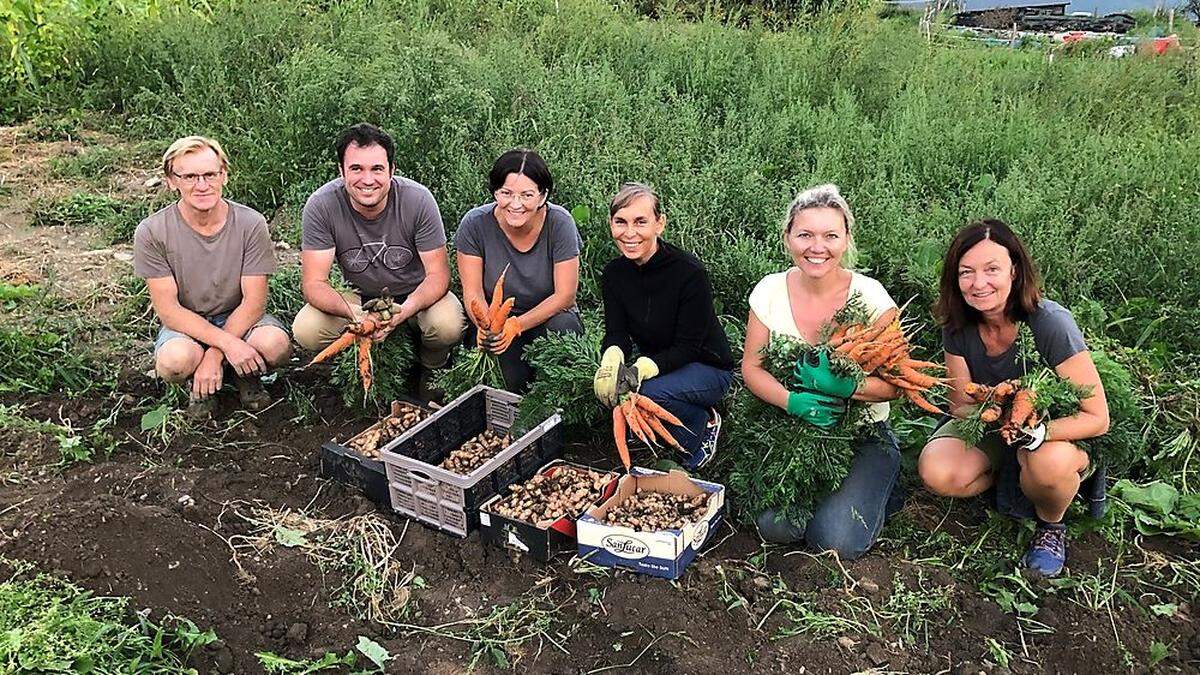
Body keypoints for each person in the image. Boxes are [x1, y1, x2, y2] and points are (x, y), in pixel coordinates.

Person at [918, 219, 1109, 578]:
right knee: (938, 471)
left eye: (992, 269)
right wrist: (996, 405)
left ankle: (1051, 524)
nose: (978, 283)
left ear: (1015, 270)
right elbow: (960, 404)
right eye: (966, 272)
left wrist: (1035, 432)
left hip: (1053, 426)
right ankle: (1012, 477)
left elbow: (1097, 417)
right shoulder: (958, 324)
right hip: (992, 421)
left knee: (1047, 464)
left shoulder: (1050, 323)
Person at [741, 184, 902, 560]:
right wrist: (792, 401)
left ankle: (884, 482)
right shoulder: (768, 292)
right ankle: (850, 496)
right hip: (794, 428)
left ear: (846, 239)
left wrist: (850, 387)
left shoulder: (873, 298)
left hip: (862, 432)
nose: (818, 247)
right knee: (775, 528)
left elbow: (896, 387)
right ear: (788, 238)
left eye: (830, 235)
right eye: (805, 235)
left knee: (834, 542)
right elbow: (752, 367)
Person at [291, 123, 465, 400]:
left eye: (377, 169)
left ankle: (432, 367)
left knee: (446, 324)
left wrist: (403, 312)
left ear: (392, 170)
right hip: (359, 299)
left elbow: (438, 276)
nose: (367, 179)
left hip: (414, 295)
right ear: (341, 171)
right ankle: (356, 369)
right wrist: (355, 315)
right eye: (356, 169)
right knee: (307, 329)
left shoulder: (417, 200)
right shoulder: (322, 205)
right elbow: (314, 283)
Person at [134, 136, 291, 419]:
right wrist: (227, 346)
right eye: (190, 176)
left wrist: (216, 353)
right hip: (188, 323)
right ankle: (199, 385)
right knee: (174, 362)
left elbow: (254, 302)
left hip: (239, 316)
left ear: (224, 176)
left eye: (210, 174)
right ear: (172, 180)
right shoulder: (152, 231)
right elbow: (170, 311)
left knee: (275, 345)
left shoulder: (250, 223)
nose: (202, 185)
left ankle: (244, 375)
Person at [592, 183, 735, 470]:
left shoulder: (689, 273)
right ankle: (669, 415)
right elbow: (617, 332)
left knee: (645, 396)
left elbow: (688, 347)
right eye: (621, 222)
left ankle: (702, 425)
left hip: (707, 367)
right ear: (611, 224)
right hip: (665, 362)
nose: (629, 233)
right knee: (624, 399)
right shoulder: (614, 274)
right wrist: (612, 358)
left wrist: (641, 370)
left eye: (640, 222)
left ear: (660, 224)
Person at [455, 149, 584, 392]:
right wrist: (487, 328)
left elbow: (565, 295)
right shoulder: (475, 224)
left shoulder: (560, 223)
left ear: (542, 196)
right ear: (495, 192)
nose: (515, 204)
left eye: (527, 195)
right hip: (496, 321)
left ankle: (560, 402)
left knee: (563, 330)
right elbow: (473, 293)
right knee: (509, 383)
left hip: (548, 318)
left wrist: (517, 325)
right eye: (506, 193)